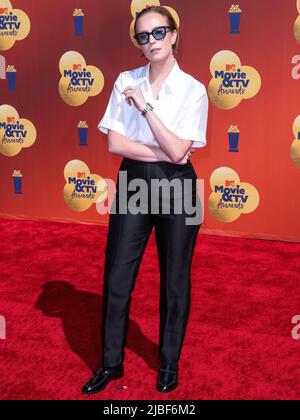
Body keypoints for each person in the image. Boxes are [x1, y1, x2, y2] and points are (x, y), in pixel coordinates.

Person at [82, 5, 208, 394]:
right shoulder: (125, 81)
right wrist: (166, 149)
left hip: (178, 188)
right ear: (137, 43)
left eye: (158, 33)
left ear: (173, 36)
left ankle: (169, 363)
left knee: (175, 281)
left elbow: (179, 154)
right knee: (117, 275)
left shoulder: (194, 90)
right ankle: (111, 363)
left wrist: (147, 108)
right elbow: (115, 142)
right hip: (134, 185)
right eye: (143, 35)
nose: (151, 41)